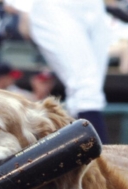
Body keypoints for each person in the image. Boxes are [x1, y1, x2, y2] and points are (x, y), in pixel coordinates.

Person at [27, 0, 112, 143]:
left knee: (92, 90)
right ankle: (100, 158)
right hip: (55, 6)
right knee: (86, 87)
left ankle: (78, 153)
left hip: (96, 6)